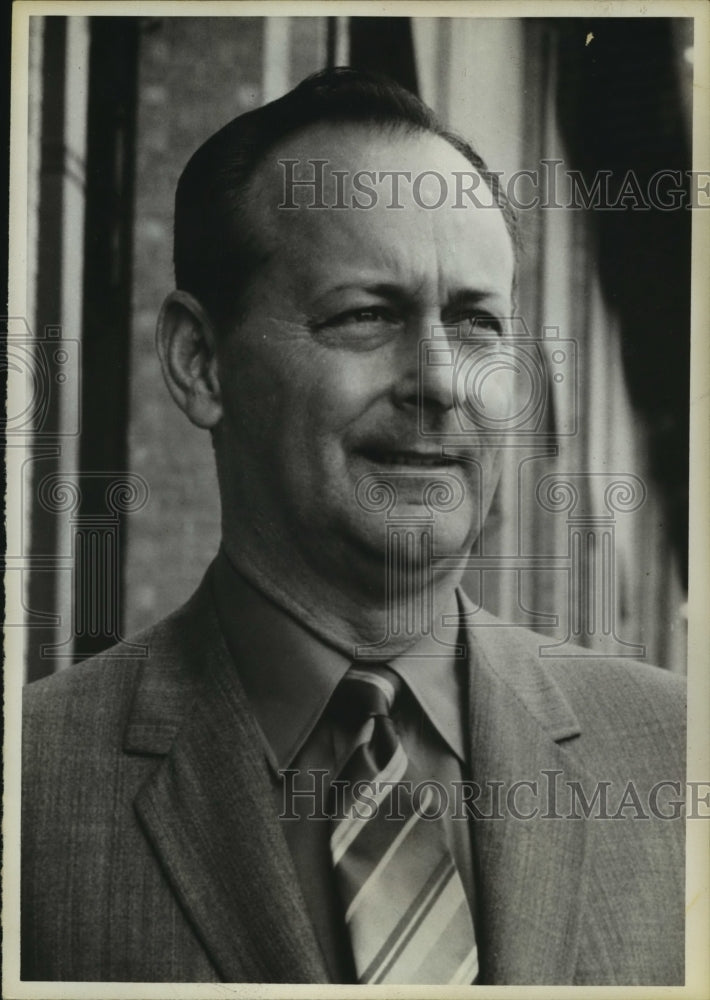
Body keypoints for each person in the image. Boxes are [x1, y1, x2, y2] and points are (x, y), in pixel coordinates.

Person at [22, 68, 685, 985]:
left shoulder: (674, 759)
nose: (442, 381)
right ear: (200, 362)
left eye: (477, 323)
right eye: (367, 315)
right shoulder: (31, 789)